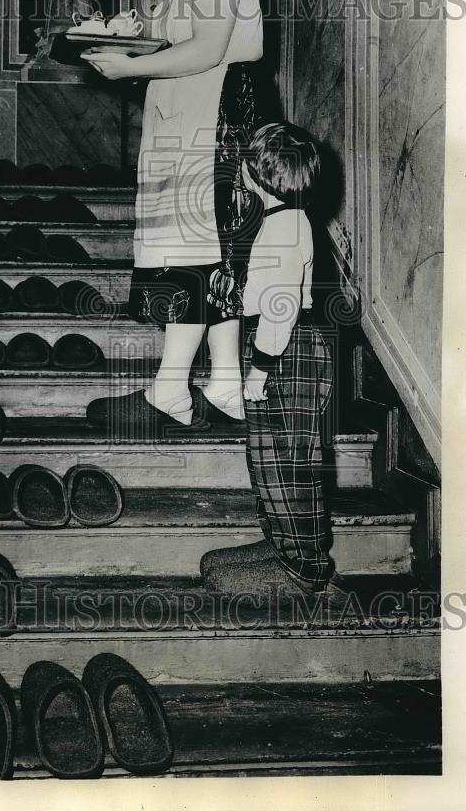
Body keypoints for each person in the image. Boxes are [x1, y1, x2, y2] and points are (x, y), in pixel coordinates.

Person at [84, 0, 264, 435]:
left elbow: (208, 50)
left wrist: (131, 65)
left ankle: (171, 392)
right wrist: (124, 33)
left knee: (193, 256)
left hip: (211, 128)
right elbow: (165, 35)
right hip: (192, 126)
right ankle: (226, 386)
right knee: (208, 259)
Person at [200, 122, 340, 599]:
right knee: (268, 459)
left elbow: (280, 306)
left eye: (244, 160)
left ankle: (306, 569)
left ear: (257, 174)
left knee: (289, 462)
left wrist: (258, 370)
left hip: (286, 350)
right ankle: (284, 544)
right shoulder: (284, 219)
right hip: (283, 345)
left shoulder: (285, 228)